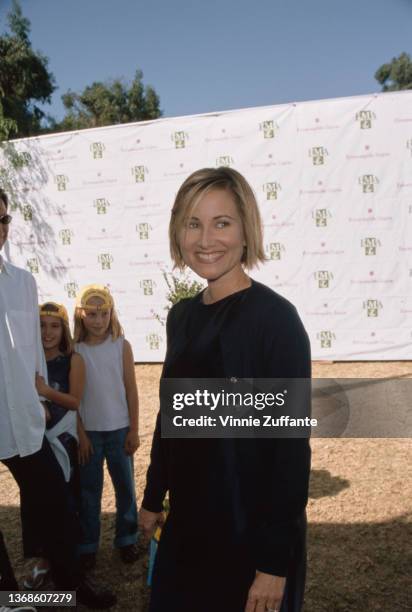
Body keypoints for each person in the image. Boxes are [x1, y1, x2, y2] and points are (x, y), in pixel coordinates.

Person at [140, 168, 311, 612]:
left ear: (245, 230)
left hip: (247, 537)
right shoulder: (182, 317)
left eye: (222, 222)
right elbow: (172, 418)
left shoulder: (276, 321)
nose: (205, 239)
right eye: (193, 223)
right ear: (177, 232)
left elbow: (289, 450)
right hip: (187, 528)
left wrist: (273, 564)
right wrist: (153, 496)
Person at [0, 188, 116, 608]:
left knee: (57, 507)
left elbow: (31, 354)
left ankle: (72, 586)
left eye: (3, 219)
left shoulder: (22, 283)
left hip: (24, 420)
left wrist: (40, 401)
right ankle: (8, 597)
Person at [74, 285, 140, 569]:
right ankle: (88, 544)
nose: (98, 320)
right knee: (88, 491)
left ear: (111, 313)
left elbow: (131, 390)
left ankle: (127, 539)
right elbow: (73, 399)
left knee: (125, 488)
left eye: (103, 314)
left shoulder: (121, 346)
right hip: (89, 435)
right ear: (81, 315)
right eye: (92, 314)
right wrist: (81, 434)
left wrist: (134, 429)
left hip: (120, 430)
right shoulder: (75, 350)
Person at [23, 302, 85, 589]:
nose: (47, 332)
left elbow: (74, 401)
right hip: (35, 445)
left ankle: (71, 566)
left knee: (66, 502)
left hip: (63, 442)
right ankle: (41, 561)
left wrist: (46, 393)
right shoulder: (26, 361)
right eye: (41, 325)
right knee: (36, 503)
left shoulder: (73, 360)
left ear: (64, 330)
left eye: (54, 325)